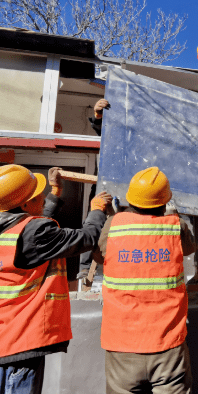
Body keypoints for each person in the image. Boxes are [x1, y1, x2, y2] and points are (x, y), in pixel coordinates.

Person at [0, 164, 112, 394]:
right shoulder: (34, 233)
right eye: (37, 195)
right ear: (24, 204)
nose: (41, 197)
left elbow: (30, 230)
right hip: (17, 349)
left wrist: (55, 193)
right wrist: (97, 210)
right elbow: (87, 238)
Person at [93, 166, 196, 394]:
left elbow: (99, 255)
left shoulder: (114, 225)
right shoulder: (175, 226)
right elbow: (189, 248)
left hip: (122, 343)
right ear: (165, 201)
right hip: (168, 343)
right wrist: (176, 215)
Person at [77, 97, 112, 282]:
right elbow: (106, 133)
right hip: (106, 184)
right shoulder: (115, 138)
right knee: (95, 218)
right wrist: (98, 115)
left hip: (131, 189)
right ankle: (85, 268)